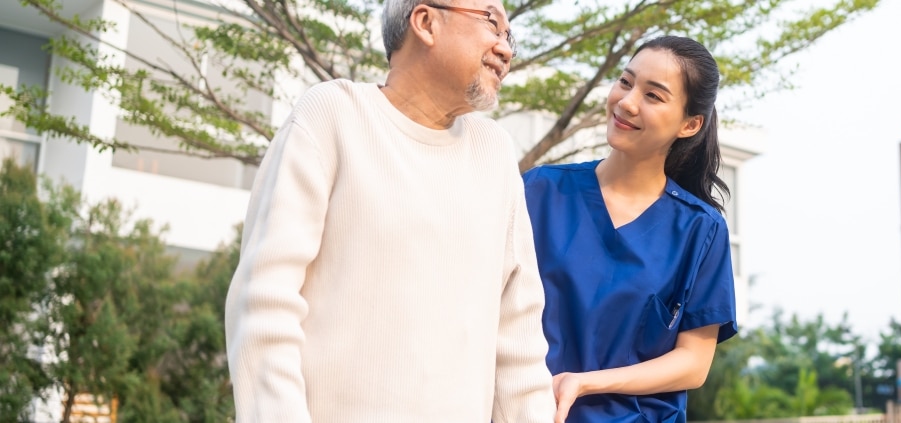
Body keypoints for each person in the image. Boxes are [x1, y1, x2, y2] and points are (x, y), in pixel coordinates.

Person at [224, 0, 556, 421]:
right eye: (491, 22)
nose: (505, 49)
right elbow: (264, 304)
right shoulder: (333, 115)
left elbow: (520, 344)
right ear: (426, 22)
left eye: (509, 36)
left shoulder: (495, 152)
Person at [522, 36, 738, 423]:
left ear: (690, 124)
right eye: (625, 82)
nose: (627, 102)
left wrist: (585, 383)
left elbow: (693, 363)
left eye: (653, 96)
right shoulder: (539, 191)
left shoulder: (700, 229)